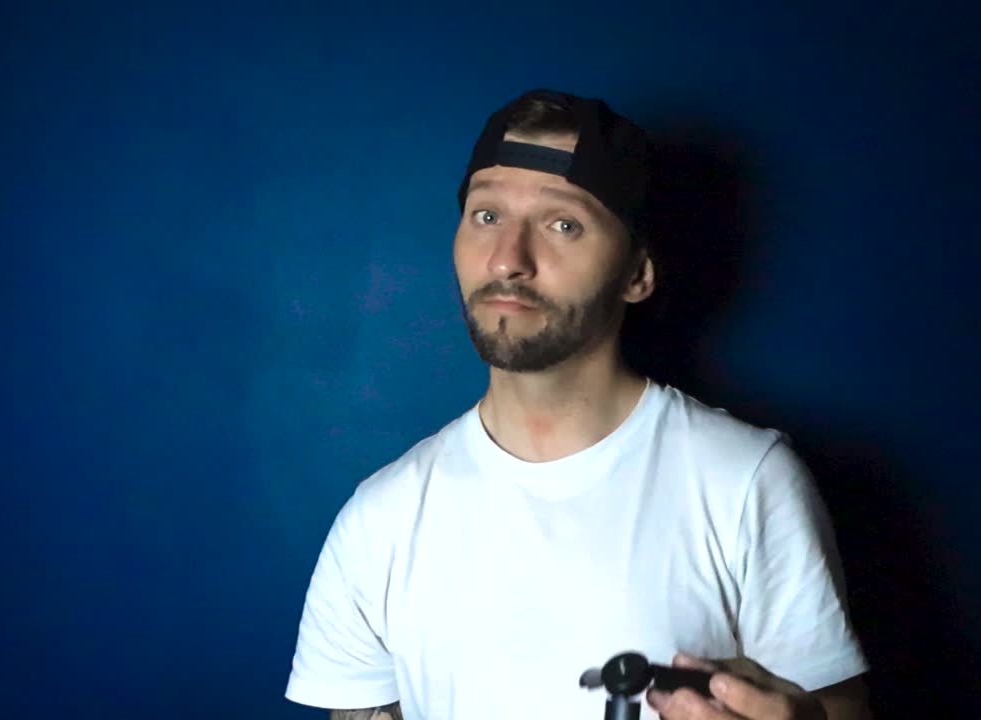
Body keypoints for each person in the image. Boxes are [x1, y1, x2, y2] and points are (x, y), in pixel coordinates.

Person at [284, 89, 872, 720]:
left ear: (637, 273)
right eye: (486, 216)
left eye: (562, 224)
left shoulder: (745, 481)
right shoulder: (380, 521)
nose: (508, 259)